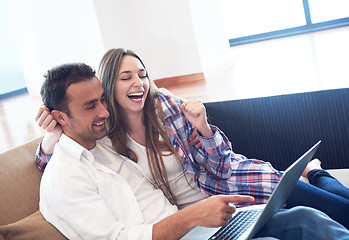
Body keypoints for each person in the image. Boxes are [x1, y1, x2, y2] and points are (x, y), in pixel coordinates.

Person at [36, 49, 349, 228]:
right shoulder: (103, 136)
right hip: (212, 214)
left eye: (143, 75)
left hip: (238, 182)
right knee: (320, 217)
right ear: (109, 85)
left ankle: (316, 173)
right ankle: (317, 173)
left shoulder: (164, 105)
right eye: (127, 77)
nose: (139, 83)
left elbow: (221, 158)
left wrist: (204, 128)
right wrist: (49, 138)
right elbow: (58, 160)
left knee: (341, 211)